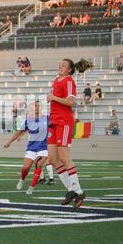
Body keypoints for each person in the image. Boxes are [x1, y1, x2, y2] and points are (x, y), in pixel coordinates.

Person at [47, 59, 86, 208]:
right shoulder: (57, 80)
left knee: (64, 158)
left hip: (64, 122)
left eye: (63, 65)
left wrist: (53, 98)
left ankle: (77, 191)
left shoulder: (69, 81)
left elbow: (71, 102)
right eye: (60, 64)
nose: (60, 66)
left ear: (69, 70)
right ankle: (74, 190)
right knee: (53, 159)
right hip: (54, 121)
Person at [4, 101, 50, 195]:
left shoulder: (48, 118)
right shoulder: (28, 120)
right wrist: (9, 142)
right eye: (35, 106)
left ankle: (31, 187)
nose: (36, 107)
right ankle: (22, 179)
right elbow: (19, 132)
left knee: (39, 164)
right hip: (31, 147)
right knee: (26, 167)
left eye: (38, 106)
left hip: (43, 147)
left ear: (42, 107)